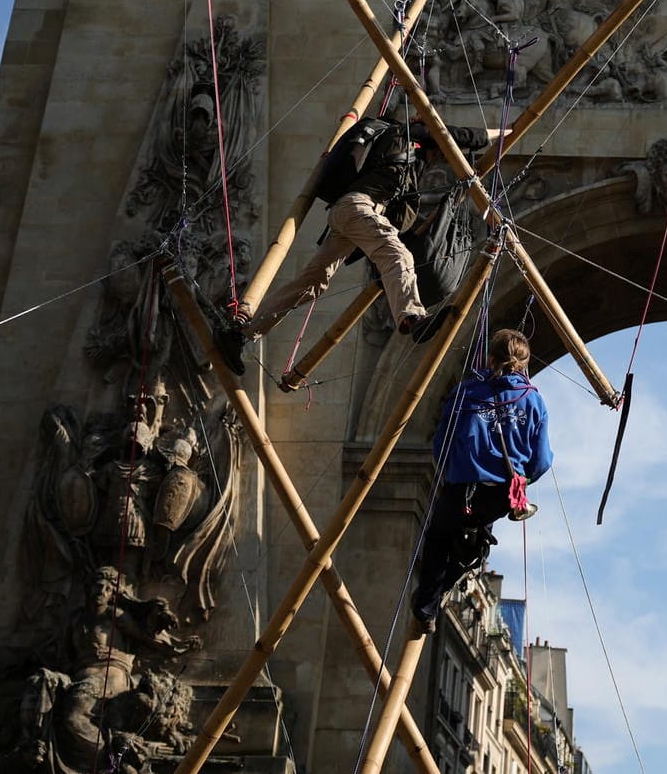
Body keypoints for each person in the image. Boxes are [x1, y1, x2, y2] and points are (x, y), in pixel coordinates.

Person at [215, 117, 504, 373]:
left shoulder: (402, 158)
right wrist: (502, 132)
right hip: (358, 208)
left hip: (350, 216)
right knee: (396, 253)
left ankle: (242, 333)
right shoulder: (412, 135)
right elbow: (460, 136)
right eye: (438, 153)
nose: (438, 158)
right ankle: (413, 318)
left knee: (314, 282)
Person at [411, 329, 552, 635]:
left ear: (491, 358)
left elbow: (442, 441)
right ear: (525, 364)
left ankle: (425, 606)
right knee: (474, 548)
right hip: (500, 496)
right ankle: (445, 585)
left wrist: (448, 470)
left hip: (462, 487)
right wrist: (522, 479)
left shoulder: (466, 393)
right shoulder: (533, 400)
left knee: (438, 539)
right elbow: (541, 460)